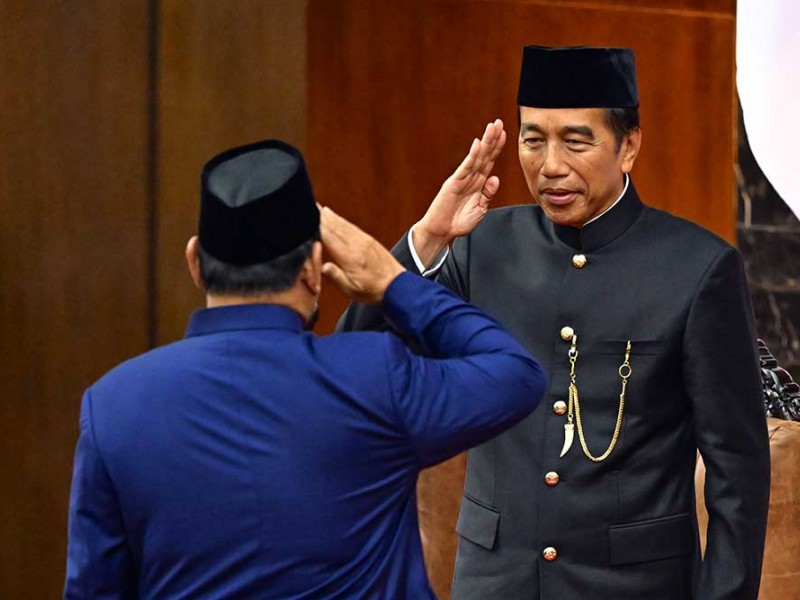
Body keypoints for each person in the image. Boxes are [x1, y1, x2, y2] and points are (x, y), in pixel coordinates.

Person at [339, 46, 771, 598]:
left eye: (576, 140)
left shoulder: (698, 268)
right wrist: (426, 240)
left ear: (629, 146)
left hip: (634, 585)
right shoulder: (480, 247)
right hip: (497, 583)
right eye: (532, 138)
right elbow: (353, 369)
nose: (550, 166)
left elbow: (738, 467)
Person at [63, 139, 548, 598]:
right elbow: (516, 375)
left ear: (195, 262)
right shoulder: (374, 378)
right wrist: (392, 281)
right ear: (315, 266)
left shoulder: (111, 406)